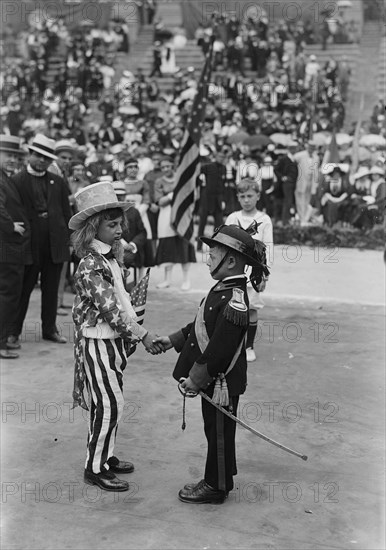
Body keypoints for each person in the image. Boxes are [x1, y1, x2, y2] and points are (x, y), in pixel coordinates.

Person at [154, 224, 269, 503]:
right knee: (217, 430)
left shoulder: (235, 300)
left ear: (230, 261)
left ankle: (216, 487)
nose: (207, 259)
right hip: (218, 379)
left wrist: (196, 377)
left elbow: (219, 349)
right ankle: (223, 474)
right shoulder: (224, 288)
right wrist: (172, 340)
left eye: (212, 254)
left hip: (221, 380)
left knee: (217, 432)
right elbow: (201, 326)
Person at [70, 180, 164, 492]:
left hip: (111, 342)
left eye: (119, 223)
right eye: (111, 225)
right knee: (109, 404)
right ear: (93, 229)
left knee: (110, 401)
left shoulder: (109, 257)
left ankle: (106, 456)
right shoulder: (90, 265)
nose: (119, 230)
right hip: (98, 341)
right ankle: (94, 467)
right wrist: (144, 334)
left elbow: (122, 300)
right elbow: (112, 310)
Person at [12, 134, 72, 344]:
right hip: (29, 245)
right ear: (30, 154)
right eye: (38, 156)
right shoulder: (17, 180)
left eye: (47, 158)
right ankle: (13, 331)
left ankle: (49, 329)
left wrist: (70, 238)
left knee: (51, 289)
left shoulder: (58, 181)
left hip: (54, 243)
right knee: (24, 289)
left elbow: (66, 212)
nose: (42, 161)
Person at [225, 178, 273, 362]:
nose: (246, 200)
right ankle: (232, 345)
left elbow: (268, 247)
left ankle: (249, 346)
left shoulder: (264, 219)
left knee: (251, 308)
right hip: (233, 270)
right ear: (238, 197)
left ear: (258, 196)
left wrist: (264, 275)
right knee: (232, 307)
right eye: (242, 196)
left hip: (253, 271)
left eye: (250, 196)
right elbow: (225, 244)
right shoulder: (232, 218)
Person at [0, 135, 31, 359]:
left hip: (9, 246)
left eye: (15, 156)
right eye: (7, 155)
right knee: (7, 295)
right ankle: (1, 342)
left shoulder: (5, 177)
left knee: (9, 294)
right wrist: (11, 226)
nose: (12, 159)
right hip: (6, 245)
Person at [154, 157, 196, 290]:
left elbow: (190, 195)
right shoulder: (159, 182)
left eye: (168, 166)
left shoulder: (181, 179)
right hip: (166, 215)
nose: (166, 169)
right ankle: (167, 279)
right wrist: (173, 195)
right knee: (167, 247)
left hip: (182, 214)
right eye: (163, 167)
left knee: (183, 243)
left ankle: (186, 279)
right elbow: (159, 201)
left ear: (173, 165)